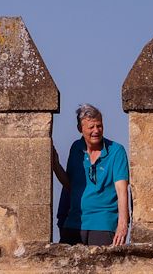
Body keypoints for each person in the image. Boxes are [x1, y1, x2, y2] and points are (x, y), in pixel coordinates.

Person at [52, 104, 129, 246]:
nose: (96, 131)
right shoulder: (76, 148)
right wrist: (55, 165)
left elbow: (122, 191)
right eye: (91, 127)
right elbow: (70, 186)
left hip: (103, 224)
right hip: (74, 222)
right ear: (80, 129)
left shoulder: (117, 151)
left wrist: (123, 224)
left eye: (99, 126)